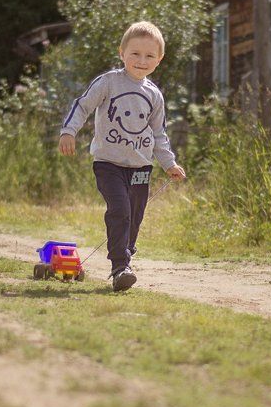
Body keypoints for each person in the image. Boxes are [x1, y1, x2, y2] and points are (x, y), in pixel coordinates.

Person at [59, 21, 186, 292]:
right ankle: (120, 268)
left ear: (159, 59)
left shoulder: (154, 95)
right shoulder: (108, 82)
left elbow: (159, 134)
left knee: (134, 217)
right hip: (109, 164)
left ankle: (124, 254)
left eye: (149, 55)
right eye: (135, 53)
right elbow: (82, 106)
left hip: (141, 167)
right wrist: (68, 131)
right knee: (120, 210)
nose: (142, 60)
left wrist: (169, 163)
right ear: (122, 53)